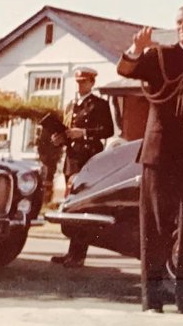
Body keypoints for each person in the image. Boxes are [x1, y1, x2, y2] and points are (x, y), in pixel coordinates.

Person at [117, 6, 183, 314]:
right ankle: (152, 301)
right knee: (156, 227)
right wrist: (136, 49)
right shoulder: (161, 57)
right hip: (160, 156)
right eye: (178, 23)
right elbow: (126, 71)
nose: (182, 27)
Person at [50, 67, 114, 268]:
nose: (80, 85)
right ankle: (72, 251)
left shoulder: (99, 104)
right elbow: (67, 130)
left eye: (84, 81)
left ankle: (78, 254)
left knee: (83, 205)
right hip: (72, 158)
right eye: (77, 81)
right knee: (71, 204)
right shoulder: (71, 105)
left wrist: (84, 133)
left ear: (92, 83)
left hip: (89, 157)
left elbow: (108, 130)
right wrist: (59, 138)